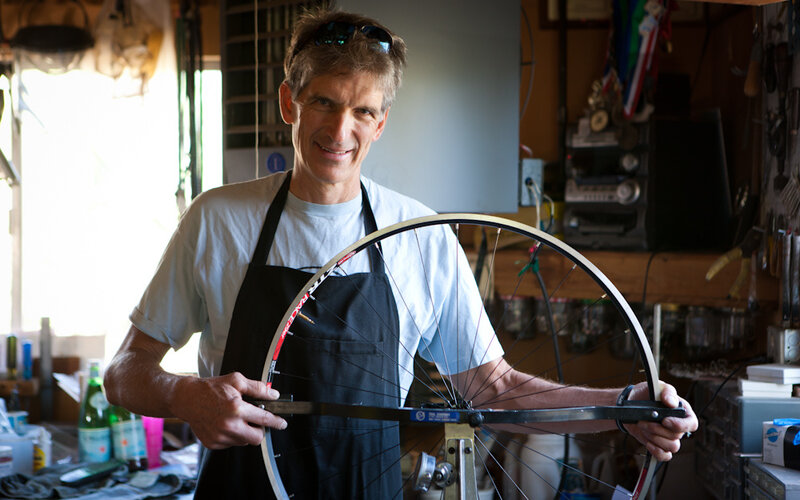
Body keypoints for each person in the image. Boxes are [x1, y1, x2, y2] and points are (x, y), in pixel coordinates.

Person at [104, 7, 698, 499]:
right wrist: (184, 395)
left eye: (362, 110)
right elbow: (122, 373)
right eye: (324, 102)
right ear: (289, 102)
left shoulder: (422, 235)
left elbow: (494, 390)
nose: (341, 130)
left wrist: (623, 406)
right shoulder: (218, 219)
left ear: (381, 122)